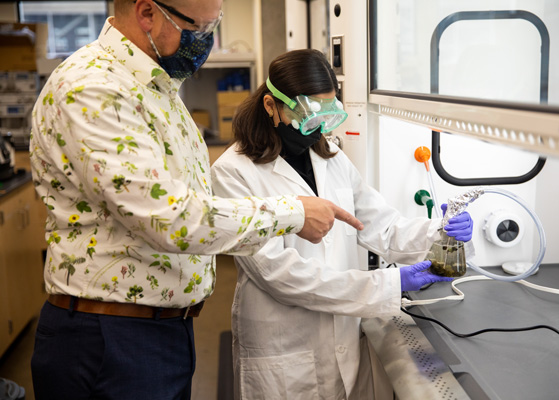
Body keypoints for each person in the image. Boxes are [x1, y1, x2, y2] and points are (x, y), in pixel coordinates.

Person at [28, 1, 363, 399]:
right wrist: (292, 212)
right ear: (148, 13)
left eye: (214, 26)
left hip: (159, 330)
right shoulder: (95, 88)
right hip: (110, 337)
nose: (206, 41)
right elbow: (171, 218)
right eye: (198, 28)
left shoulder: (157, 88)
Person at [210, 48, 474, 400]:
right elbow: (280, 277)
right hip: (286, 350)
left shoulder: (331, 158)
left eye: (327, 113)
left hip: (345, 340)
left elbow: (382, 226)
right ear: (271, 106)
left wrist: (440, 232)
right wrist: (390, 283)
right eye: (306, 115)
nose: (316, 127)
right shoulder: (233, 173)